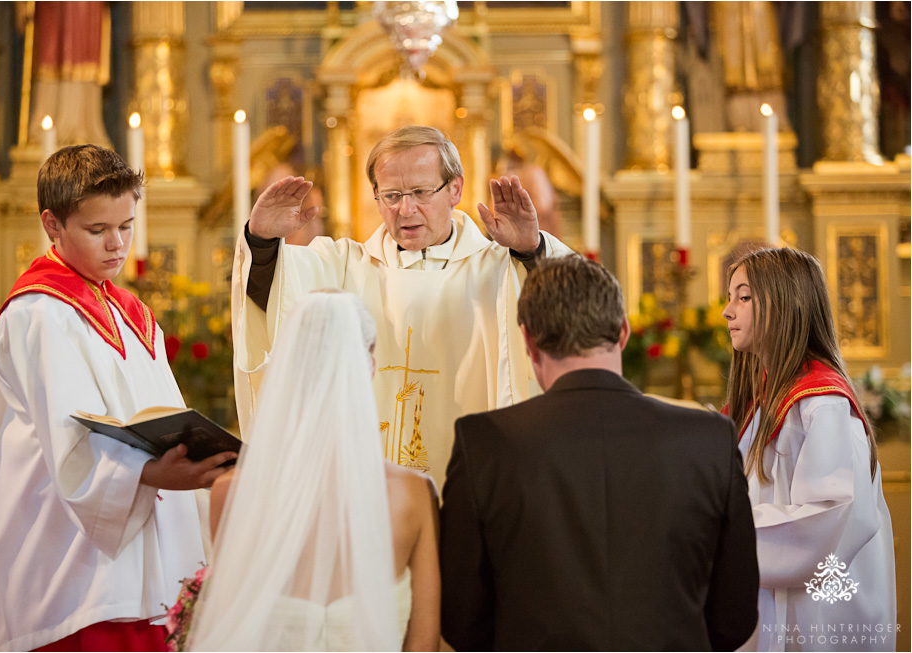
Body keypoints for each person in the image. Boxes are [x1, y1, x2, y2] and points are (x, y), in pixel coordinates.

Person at [0, 145, 236, 652]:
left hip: (150, 565)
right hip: (77, 570)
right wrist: (150, 474)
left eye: (127, 225)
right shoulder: (40, 313)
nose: (116, 245)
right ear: (52, 225)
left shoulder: (130, 311)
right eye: (97, 231)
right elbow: (70, 437)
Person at [440, 255, 760, 651]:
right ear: (623, 332)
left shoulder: (485, 443)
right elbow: (736, 616)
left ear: (529, 340)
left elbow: (460, 620)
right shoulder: (709, 439)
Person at [232, 125, 572, 487]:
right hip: (367, 494)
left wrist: (532, 251)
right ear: (375, 196)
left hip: (479, 490)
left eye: (420, 192)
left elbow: (571, 317)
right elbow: (275, 304)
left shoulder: (501, 268)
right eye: (391, 195)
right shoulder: (344, 266)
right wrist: (262, 240)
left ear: (454, 189)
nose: (405, 209)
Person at [188, 291, 440, 651]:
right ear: (368, 366)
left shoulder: (232, 491)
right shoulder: (411, 494)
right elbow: (423, 645)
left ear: (288, 368)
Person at [722, 248, 897, 652]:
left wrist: (721, 532)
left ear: (786, 301)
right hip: (771, 600)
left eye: (743, 297)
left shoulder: (821, 405)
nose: (728, 311)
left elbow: (824, 524)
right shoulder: (763, 400)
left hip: (815, 616)